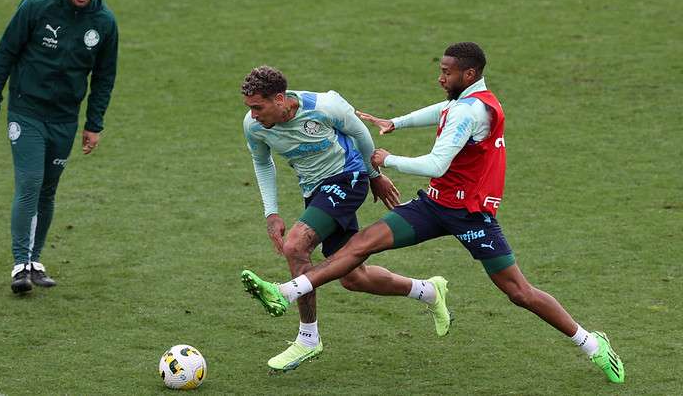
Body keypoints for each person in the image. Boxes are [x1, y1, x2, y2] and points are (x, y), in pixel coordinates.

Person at [241, 44, 625, 383]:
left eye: (447, 72)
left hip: (471, 214)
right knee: (358, 248)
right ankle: (290, 293)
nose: (440, 77)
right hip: (434, 205)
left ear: (468, 74)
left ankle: (592, 343)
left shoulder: (468, 114)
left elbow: (438, 164)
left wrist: (386, 161)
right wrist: (398, 122)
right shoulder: (470, 103)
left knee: (519, 292)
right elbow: (440, 110)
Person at [239, 65, 452, 372]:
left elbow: (360, 134)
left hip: (347, 179)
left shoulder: (326, 106)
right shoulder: (254, 126)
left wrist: (374, 174)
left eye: (258, 107)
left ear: (280, 99)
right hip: (315, 192)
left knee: (295, 246)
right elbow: (262, 163)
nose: (253, 114)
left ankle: (308, 338)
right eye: (249, 108)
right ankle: (429, 291)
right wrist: (270, 211)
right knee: (353, 277)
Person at [0, 0, 118, 294]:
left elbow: (104, 77)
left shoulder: (105, 23)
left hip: (65, 119)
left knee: (48, 190)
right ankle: (20, 264)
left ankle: (35, 261)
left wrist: (93, 124)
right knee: (30, 183)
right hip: (27, 112)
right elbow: (5, 52)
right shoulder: (36, 6)